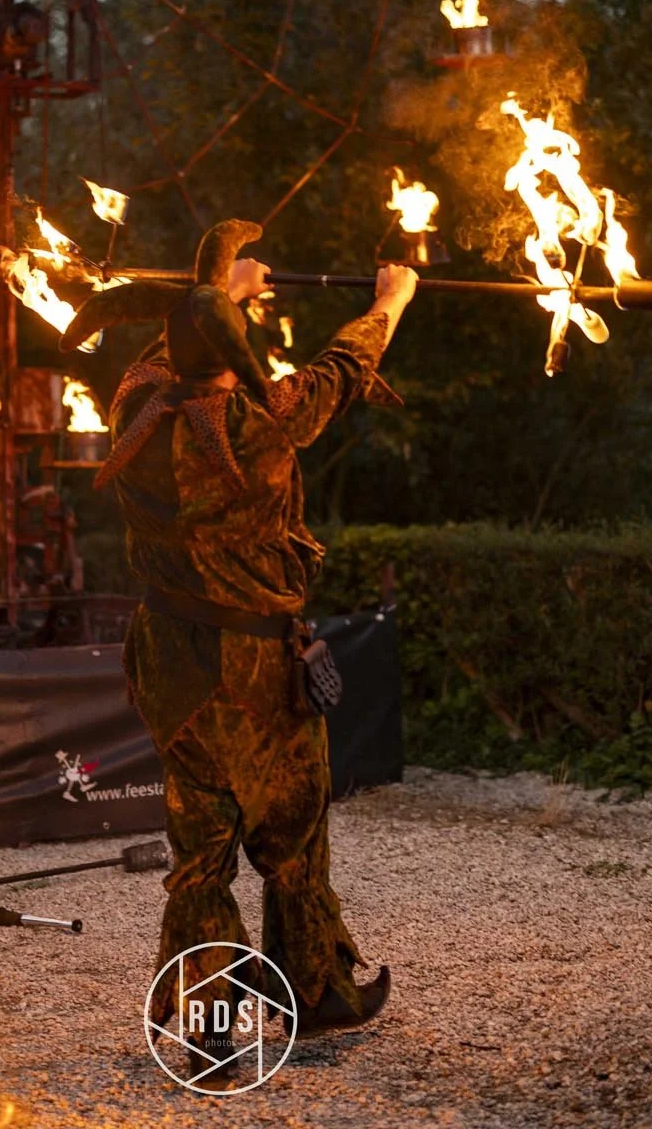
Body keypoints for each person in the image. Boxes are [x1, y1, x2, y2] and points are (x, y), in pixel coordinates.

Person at [59, 220, 417, 1084]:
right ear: (233, 353)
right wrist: (391, 299)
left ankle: (210, 1036)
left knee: (200, 849)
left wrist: (221, 288)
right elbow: (342, 367)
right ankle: (317, 992)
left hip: (169, 661)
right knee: (290, 836)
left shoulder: (132, 406)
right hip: (255, 670)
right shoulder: (262, 425)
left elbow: (170, 348)